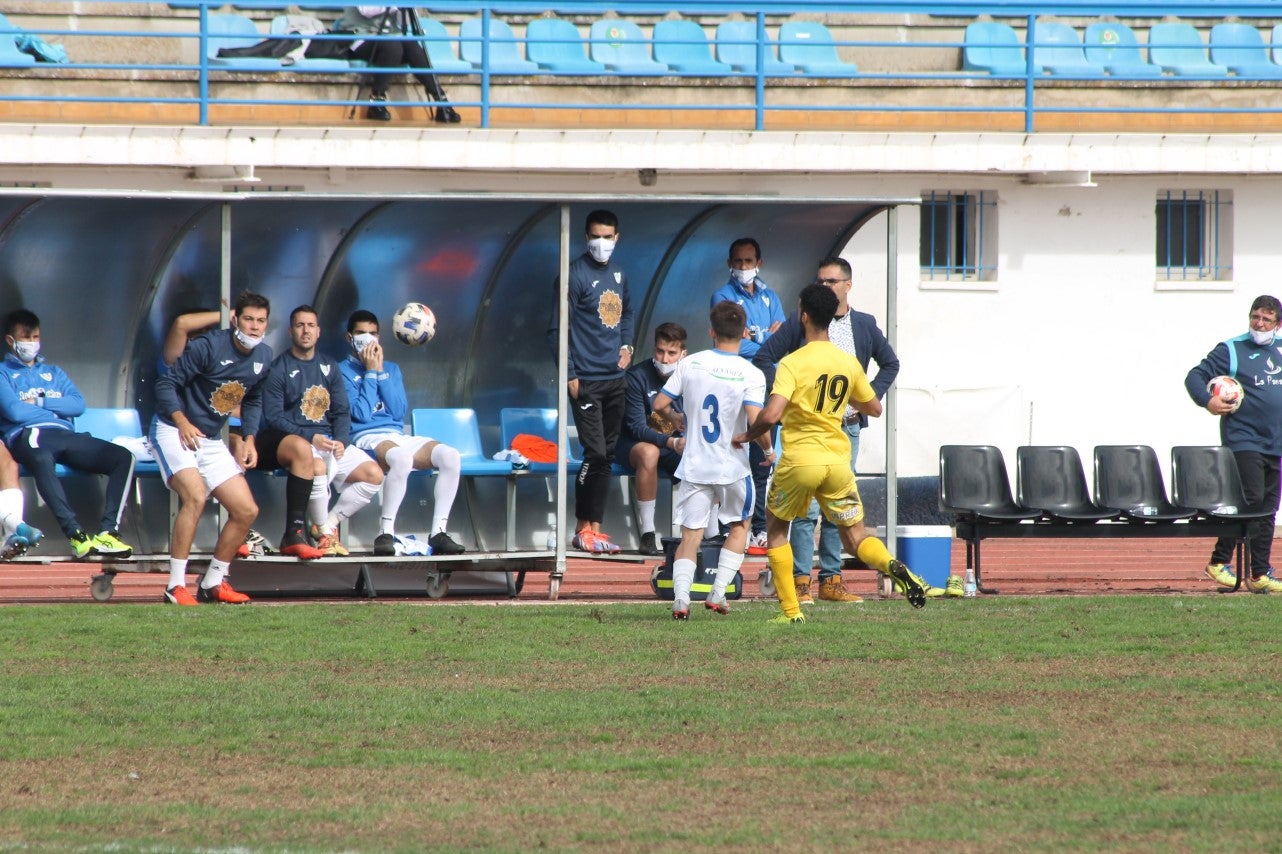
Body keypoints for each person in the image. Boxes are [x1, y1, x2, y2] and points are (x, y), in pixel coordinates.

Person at [733, 284, 929, 623]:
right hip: (837, 462)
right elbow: (874, 407)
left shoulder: (792, 363)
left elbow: (771, 414)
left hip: (799, 461)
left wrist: (747, 435)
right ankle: (892, 566)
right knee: (855, 537)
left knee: (778, 529)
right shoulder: (847, 362)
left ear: (804, 316)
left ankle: (791, 612)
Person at [152, 291, 274, 605]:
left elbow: (255, 397)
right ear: (235, 319)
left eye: (261, 321)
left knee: (246, 510)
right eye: (249, 319)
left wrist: (249, 438)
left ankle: (213, 583)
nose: (255, 326)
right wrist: (181, 421)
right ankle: (175, 586)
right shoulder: (207, 346)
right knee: (195, 496)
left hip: (209, 438)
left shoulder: (264, 356)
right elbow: (165, 384)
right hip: (173, 430)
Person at [653, 302, 769, 619]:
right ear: (745, 333)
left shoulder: (691, 364)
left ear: (711, 331)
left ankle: (680, 600)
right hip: (732, 467)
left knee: (691, 534)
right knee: (740, 526)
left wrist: (676, 417)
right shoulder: (751, 373)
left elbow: (660, 403)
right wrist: (768, 450)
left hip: (695, 464)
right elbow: (756, 420)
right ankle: (718, 594)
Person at [0, 310, 134, 561]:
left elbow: (77, 405)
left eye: (36, 336)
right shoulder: (3, 373)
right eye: (25, 337)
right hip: (29, 434)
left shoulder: (55, 373)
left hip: (64, 432)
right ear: (11, 340)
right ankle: (75, 534)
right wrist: (54, 403)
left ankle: (108, 533)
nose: (31, 342)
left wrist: (39, 401)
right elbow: (15, 412)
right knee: (41, 458)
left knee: (122, 457)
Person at [257, 305, 384, 558]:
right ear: (291, 331)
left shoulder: (329, 366)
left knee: (374, 474)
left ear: (319, 332)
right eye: (301, 325)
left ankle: (326, 525)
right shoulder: (278, 368)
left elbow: (341, 412)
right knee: (316, 466)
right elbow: (274, 418)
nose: (306, 330)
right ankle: (326, 538)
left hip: (329, 441)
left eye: (311, 325)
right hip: (298, 441)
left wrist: (341, 440)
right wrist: (309, 437)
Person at [340, 309, 466, 556]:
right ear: (349, 337)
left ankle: (438, 532)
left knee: (450, 455)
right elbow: (361, 415)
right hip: (363, 437)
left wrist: (380, 371)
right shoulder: (340, 370)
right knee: (401, 458)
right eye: (361, 334)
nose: (368, 339)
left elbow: (398, 411)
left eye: (373, 334)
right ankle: (385, 533)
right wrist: (371, 372)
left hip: (395, 435)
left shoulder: (392, 368)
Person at [547, 208, 634, 554]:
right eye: (595, 236)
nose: (601, 243)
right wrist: (569, 373)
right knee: (595, 453)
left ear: (617, 238)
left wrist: (627, 346)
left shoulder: (619, 274)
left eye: (607, 236)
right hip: (586, 380)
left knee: (607, 455)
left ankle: (595, 530)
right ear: (586, 238)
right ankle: (581, 527)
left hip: (616, 379)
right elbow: (556, 329)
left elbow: (627, 313)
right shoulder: (572, 275)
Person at [1185, 294, 1282, 593]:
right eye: (1255, 317)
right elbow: (1195, 376)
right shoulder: (1232, 348)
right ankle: (1218, 561)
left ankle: (1259, 573)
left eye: (1266, 319)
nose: (1259, 323)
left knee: (1267, 509)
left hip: (1275, 443)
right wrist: (1209, 401)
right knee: (1250, 501)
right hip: (1243, 440)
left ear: (1277, 324)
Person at [710, 238, 786, 555]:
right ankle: (734, 528)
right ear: (730, 263)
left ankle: (757, 529)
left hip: (768, 378)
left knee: (763, 460)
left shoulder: (769, 295)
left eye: (749, 260)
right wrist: (768, 337)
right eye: (738, 261)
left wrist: (759, 337)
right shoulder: (724, 296)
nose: (744, 267)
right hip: (737, 379)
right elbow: (735, 343)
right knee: (740, 451)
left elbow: (785, 337)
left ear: (759, 262)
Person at [615, 321, 687, 556]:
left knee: (708, 455)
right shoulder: (637, 377)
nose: (665, 359)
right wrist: (672, 442)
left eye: (672, 353)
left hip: (673, 445)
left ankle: (712, 534)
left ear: (683, 354)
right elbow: (636, 427)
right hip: (633, 446)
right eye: (660, 351)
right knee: (649, 452)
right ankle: (647, 534)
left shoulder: (691, 376)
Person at [337, 6, 461, 123]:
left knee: (412, 45)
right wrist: (395, 4)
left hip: (390, 38)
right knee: (392, 47)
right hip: (360, 38)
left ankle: (441, 101)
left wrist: (407, 7)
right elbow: (366, 9)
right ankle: (377, 100)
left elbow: (403, 22)